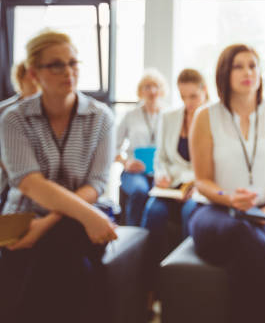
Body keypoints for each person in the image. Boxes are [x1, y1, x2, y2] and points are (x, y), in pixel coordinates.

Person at [0, 30, 117, 323]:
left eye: (73, 62)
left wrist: (48, 223)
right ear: (34, 72)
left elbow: (97, 183)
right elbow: (29, 183)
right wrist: (85, 217)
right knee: (73, 267)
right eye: (56, 64)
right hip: (25, 218)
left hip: (78, 221)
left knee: (61, 253)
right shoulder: (13, 119)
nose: (68, 71)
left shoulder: (101, 117)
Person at [189, 44, 265, 323]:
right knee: (245, 237)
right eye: (238, 66)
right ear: (224, 74)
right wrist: (229, 199)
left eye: (252, 65)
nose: (247, 72)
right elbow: (201, 180)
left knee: (250, 256)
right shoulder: (206, 116)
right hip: (215, 211)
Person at [141, 68, 208, 264]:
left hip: (198, 187)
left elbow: (217, 163)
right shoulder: (169, 117)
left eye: (193, 96)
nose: (188, 103)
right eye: (183, 97)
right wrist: (160, 174)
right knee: (153, 212)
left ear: (204, 91)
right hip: (171, 186)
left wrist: (198, 185)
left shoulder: (214, 119)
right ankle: (151, 276)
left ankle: (185, 273)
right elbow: (160, 156)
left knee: (190, 212)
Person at [115, 68, 166, 226]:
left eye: (156, 86)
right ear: (140, 91)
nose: (152, 91)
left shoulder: (169, 115)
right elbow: (113, 147)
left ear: (162, 89)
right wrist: (126, 163)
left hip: (160, 171)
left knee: (159, 199)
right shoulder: (131, 115)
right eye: (147, 86)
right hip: (135, 171)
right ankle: (132, 238)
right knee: (139, 190)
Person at [0, 60, 40, 212]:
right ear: (21, 79)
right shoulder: (4, 111)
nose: (36, 82)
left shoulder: (48, 112)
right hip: (9, 182)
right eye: (31, 77)